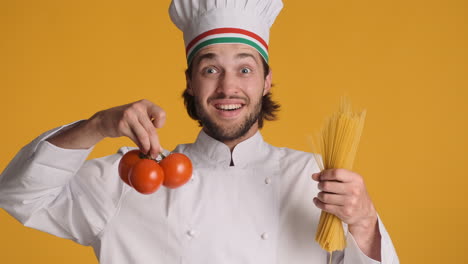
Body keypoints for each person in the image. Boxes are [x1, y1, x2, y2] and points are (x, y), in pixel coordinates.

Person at [0, 0, 399, 263]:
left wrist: (364, 222)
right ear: (190, 81)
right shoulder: (131, 177)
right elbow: (17, 195)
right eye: (211, 69)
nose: (228, 87)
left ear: (266, 81)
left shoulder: (312, 176)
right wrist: (97, 126)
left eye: (245, 69)